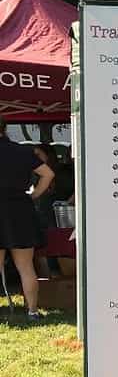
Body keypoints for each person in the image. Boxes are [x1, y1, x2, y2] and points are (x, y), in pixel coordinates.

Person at [0, 116, 54, 319]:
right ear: (5, 129)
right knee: (25, 266)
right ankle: (32, 311)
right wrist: (34, 195)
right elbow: (48, 174)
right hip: (19, 210)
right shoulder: (22, 151)